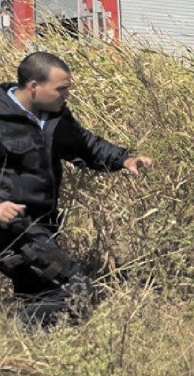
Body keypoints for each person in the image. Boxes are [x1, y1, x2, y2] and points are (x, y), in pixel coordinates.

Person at [0, 52, 153, 326]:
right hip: (12, 229)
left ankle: (27, 345)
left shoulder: (55, 117)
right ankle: (18, 334)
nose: (66, 95)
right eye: (61, 89)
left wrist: (124, 160)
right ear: (34, 86)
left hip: (42, 225)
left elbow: (85, 145)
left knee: (47, 298)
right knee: (77, 288)